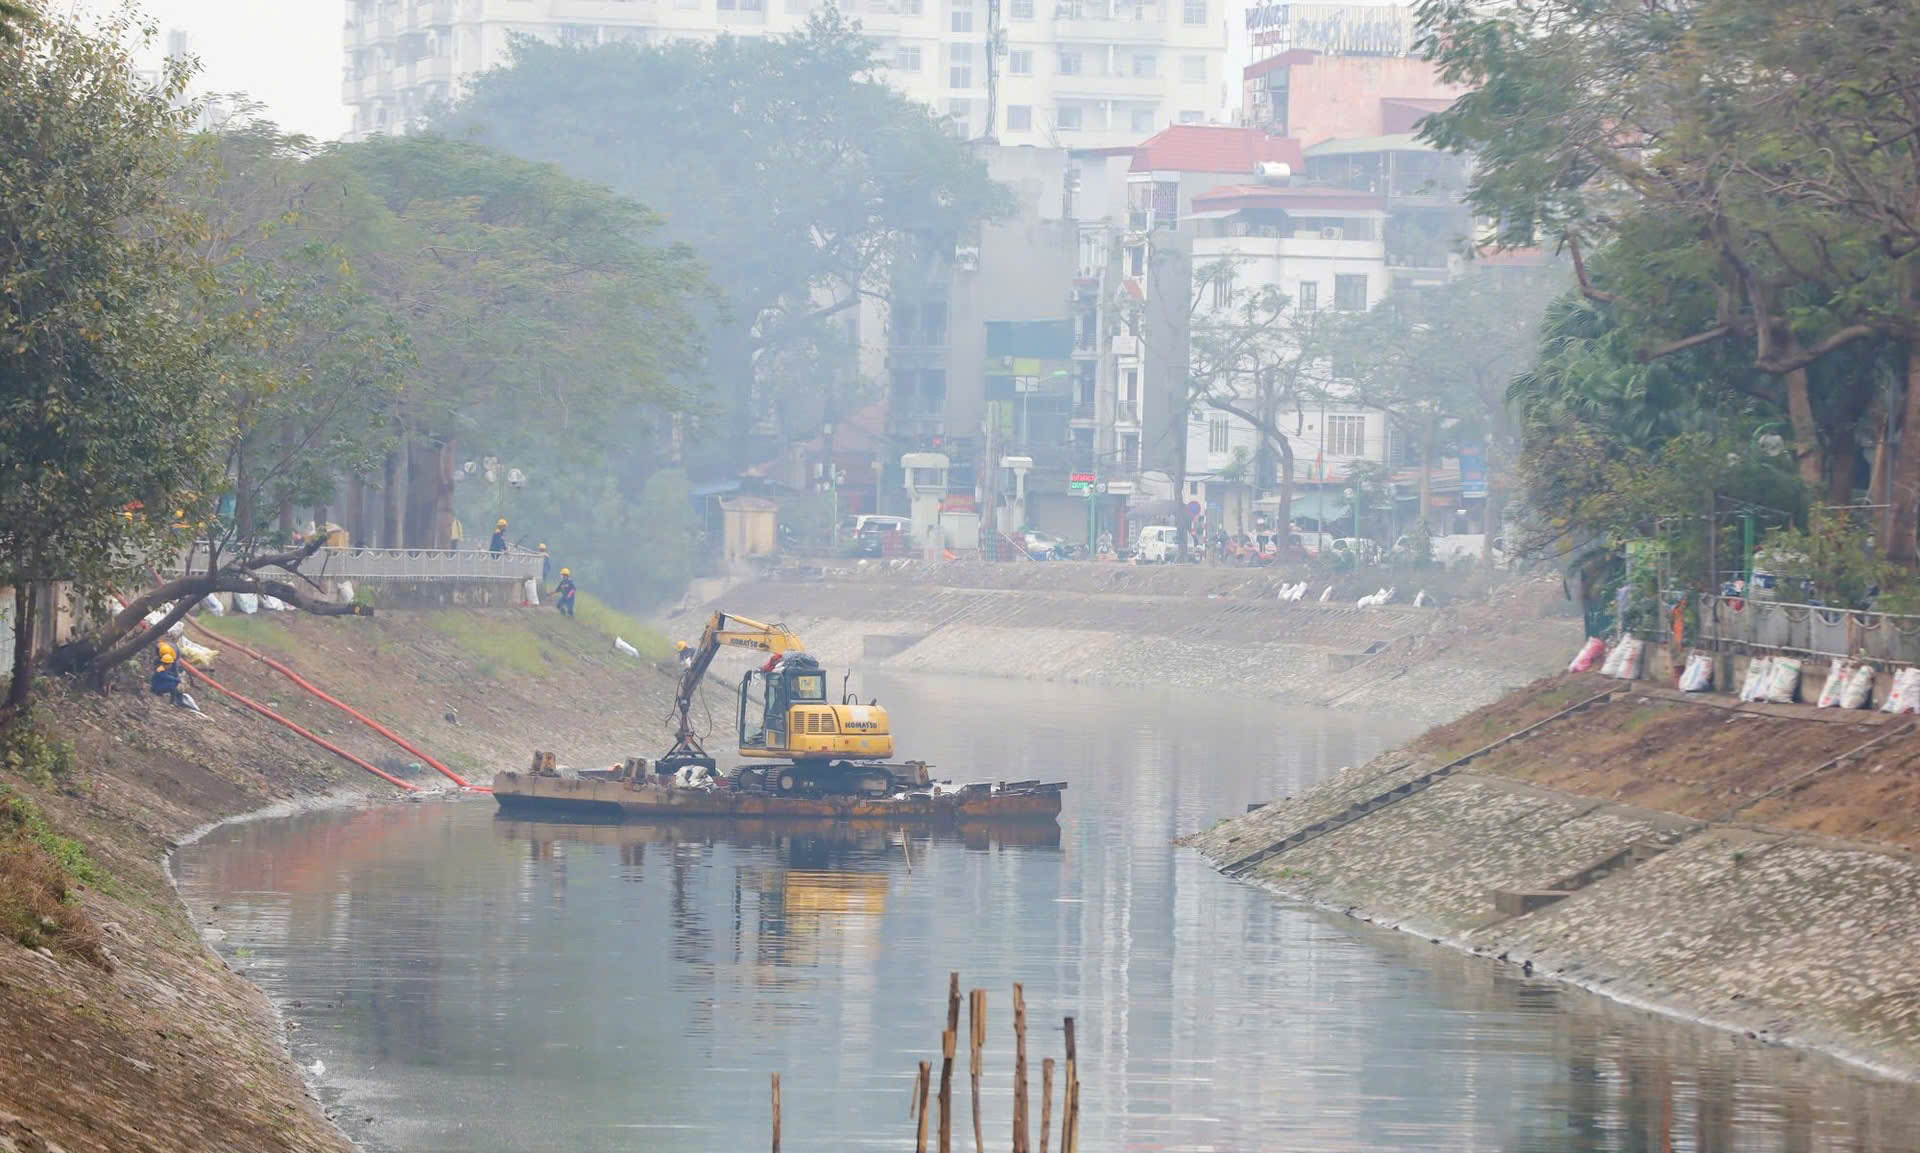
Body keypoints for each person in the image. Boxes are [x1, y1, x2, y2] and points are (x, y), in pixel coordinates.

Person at [150, 643, 187, 707]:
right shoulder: (161, 669)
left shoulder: (173, 656)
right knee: (172, 685)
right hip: (156, 687)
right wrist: (177, 679)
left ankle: (177, 699)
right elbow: (166, 676)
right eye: (170, 665)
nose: (171, 666)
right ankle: (173, 702)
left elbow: (170, 673)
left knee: (173, 681)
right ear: (167, 664)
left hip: (157, 684)